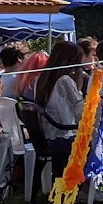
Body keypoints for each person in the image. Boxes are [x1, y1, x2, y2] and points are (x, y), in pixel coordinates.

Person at [35, 42, 86, 177]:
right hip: (60, 136)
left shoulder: (43, 78)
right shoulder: (65, 81)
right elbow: (80, 111)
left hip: (45, 136)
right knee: (91, 141)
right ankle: (85, 186)